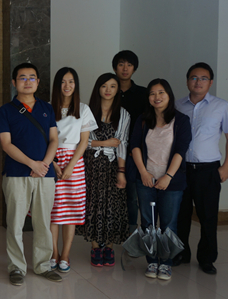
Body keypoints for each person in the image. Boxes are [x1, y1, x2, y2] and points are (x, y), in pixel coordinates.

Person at [0, 62, 62, 284]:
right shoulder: (6, 110)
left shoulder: (47, 108)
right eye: (22, 78)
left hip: (45, 174)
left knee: (43, 222)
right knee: (15, 223)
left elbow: (54, 139)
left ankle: (43, 265)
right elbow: (6, 144)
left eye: (32, 77)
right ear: (14, 82)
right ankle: (16, 267)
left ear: (38, 82)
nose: (27, 81)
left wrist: (44, 164)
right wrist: (32, 164)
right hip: (17, 174)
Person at [130, 79, 191, 280]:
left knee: (169, 224)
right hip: (146, 179)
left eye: (161, 92)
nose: (157, 97)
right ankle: (152, 261)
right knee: (148, 223)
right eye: (152, 93)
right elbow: (135, 147)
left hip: (171, 182)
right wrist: (144, 173)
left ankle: (165, 263)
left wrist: (168, 176)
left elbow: (181, 150)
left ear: (169, 95)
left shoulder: (181, 120)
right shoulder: (143, 119)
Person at [175, 62, 228, 275]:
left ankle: (207, 258)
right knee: (181, 214)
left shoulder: (222, 106)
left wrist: (226, 167)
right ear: (188, 80)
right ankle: (181, 253)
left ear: (211, 82)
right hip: (181, 168)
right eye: (194, 77)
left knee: (208, 216)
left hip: (208, 170)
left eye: (203, 78)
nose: (198, 82)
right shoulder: (177, 105)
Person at [77, 73, 130, 268]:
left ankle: (108, 246)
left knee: (112, 206)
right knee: (92, 205)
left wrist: (121, 171)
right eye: (104, 86)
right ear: (98, 88)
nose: (108, 90)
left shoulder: (123, 114)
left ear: (118, 90)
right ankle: (94, 246)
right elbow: (81, 142)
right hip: (89, 166)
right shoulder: (86, 111)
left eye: (113, 86)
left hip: (112, 167)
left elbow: (122, 143)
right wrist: (104, 142)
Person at [48, 67, 98, 273]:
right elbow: (44, 139)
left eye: (71, 82)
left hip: (75, 163)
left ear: (76, 85)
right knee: (53, 211)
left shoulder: (83, 109)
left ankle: (65, 254)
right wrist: (53, 163)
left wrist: (70, 165)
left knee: (70, 210)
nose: (67, 86)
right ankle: (53, 253)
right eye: (63, 82)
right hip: (51, 159)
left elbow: (84, 142)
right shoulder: (48, 108)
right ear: (57, 85)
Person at [113, 50, 148, 234]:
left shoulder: (143, 94)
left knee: (132, 195)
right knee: (112, 192)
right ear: (114, 67)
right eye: (121, 64)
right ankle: (114, 229)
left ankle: (132, 232)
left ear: (134, 68)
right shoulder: (108, 90)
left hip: (135, 151)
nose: (125, 68)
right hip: (111, 150)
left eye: (129, 65)